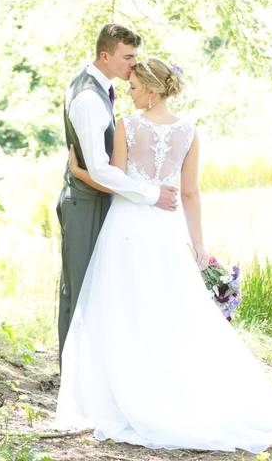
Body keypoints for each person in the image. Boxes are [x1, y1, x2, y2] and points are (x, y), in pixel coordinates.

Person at [56, 58, 272, 452]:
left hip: (129, 225)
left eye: (133, 87)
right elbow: (192, 193)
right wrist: (199, 244)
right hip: (168, 227)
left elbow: (115, 180)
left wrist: (79, 173)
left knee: (123, 304)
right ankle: (171, 385)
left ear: (150, 90)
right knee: (169, 309)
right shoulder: (188, 131)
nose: (128, 93)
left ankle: (124, 391)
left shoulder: (129, 126)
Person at [56, 24, 179, 366]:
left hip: (99, 199)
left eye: (135, 57)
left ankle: (94, 370)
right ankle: (73, 375)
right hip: (85, 202)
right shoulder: (87, 98)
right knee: (80, 290)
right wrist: (151, 194)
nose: (132, 65)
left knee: (98, 289)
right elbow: (99, 168)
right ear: (105, 55)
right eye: (127, 58)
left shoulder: (99, 86)